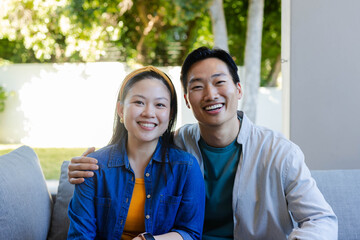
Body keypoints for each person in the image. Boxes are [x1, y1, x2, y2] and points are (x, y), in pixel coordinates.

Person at [68, 47, 338, 240]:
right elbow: (138, 142)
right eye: (197, 86)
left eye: (219, 82)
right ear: (186, 100)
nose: (210, 94)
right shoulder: (177, 144)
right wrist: (82, 166)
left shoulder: (279, 153)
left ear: (238, 89)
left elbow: (321, 220)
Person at [67, 66, 205, 240]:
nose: (148, 113)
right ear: (120, 110)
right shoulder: (93, 167)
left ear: (170, 115)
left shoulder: (186, 168)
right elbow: (80, 236)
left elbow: (191, 234)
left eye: (160, 105)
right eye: (139, 102)